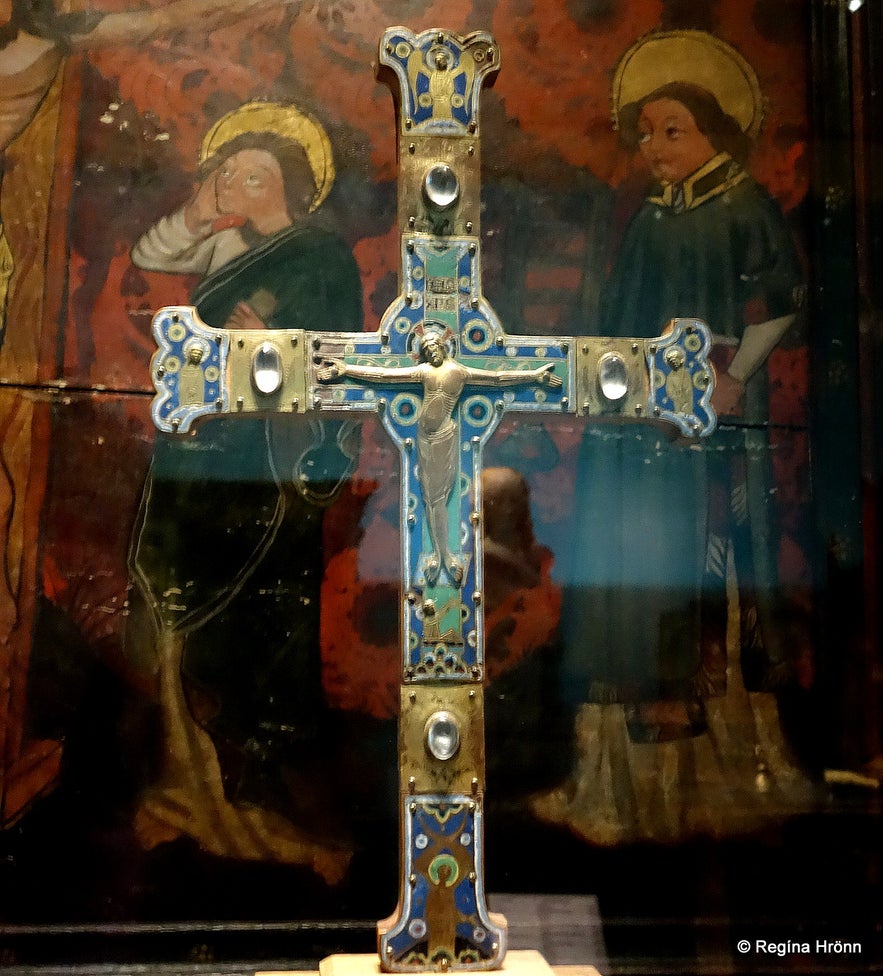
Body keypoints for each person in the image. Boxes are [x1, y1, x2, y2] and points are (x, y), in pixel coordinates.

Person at [547, 31, 811, 843]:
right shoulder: (652, 217)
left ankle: (710, 778)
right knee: (623, 579)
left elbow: (780, 301)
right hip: (633, 433)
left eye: (673, 131)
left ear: (715, 134)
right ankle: (611, 785)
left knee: (690, 582)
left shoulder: (739, 206)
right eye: (647, 133)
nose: (654, 148)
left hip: (702, 434)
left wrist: (733, 380)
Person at [127, 103, 363, 880]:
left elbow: (329, 352)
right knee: (181, 599)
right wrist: (201, 209)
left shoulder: (319, 254)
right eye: (227, 172)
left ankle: (264, 786)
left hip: (266, 462)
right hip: (202, 448)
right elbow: (153, 250)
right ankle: (191, 789)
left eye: (251, 176)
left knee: (259, 618)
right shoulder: (229, 242)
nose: (237, 185)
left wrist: (262, 336)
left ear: (288, 186)